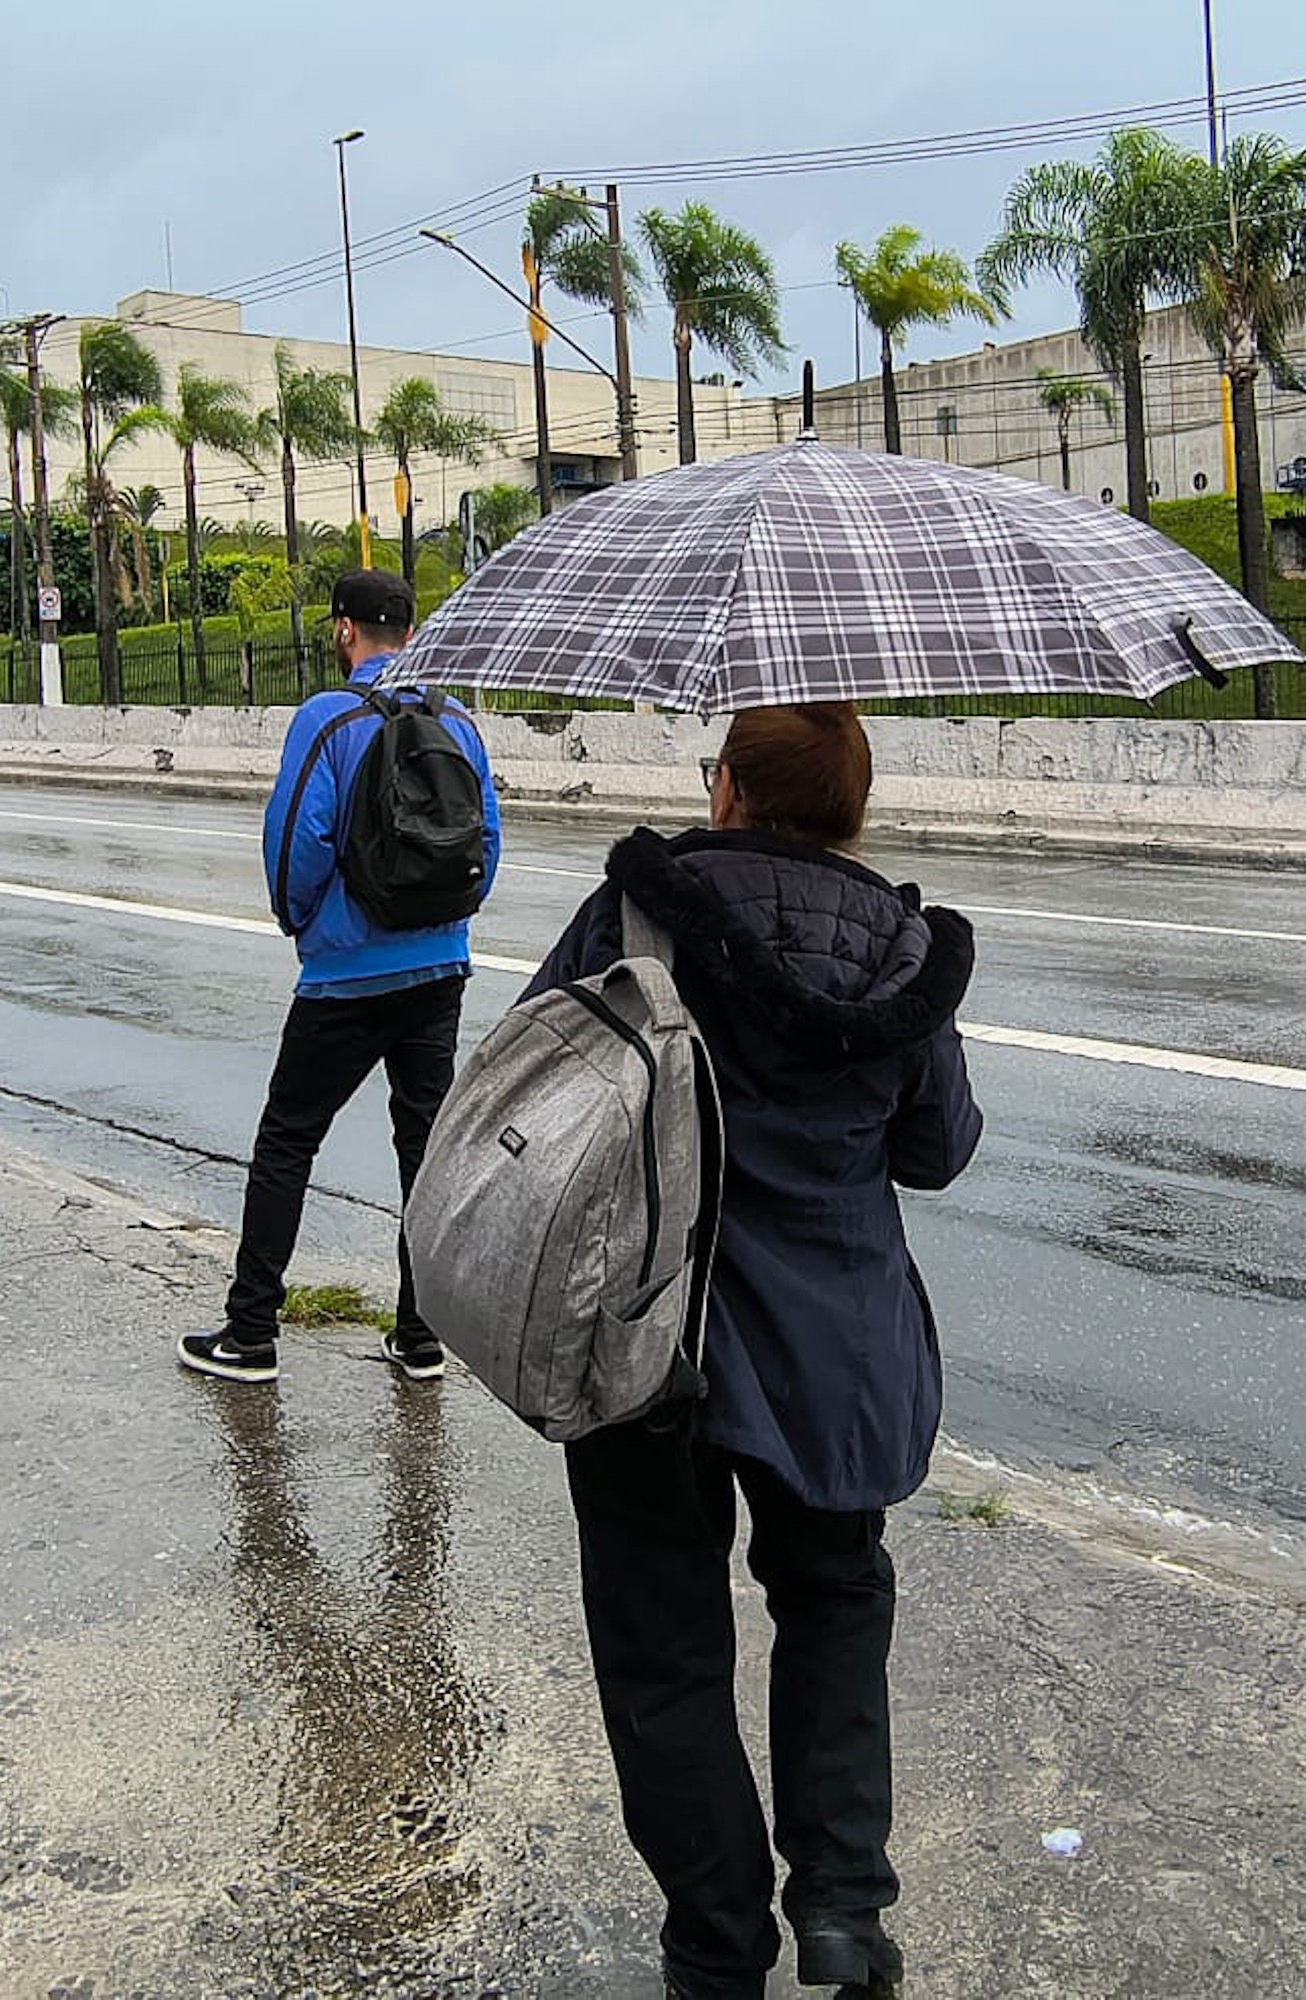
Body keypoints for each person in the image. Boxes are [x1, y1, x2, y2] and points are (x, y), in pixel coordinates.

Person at [524, 703, 982, 2000]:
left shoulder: (641, 913)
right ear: (851, 808)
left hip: (644, 1343)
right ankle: (843, 1915)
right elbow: (937, 1150)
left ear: (724, 787)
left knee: (664, 1651)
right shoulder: (902, 945)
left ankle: (715, 1947)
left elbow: (534, 1091)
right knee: (833, 1605)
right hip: (835, 1358)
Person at [179, 569, 502, 1388]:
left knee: (289, 1137)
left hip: (345, 974)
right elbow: (486, 843)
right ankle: (419, 1334)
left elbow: (297, 840)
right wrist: (445, 924)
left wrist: (307, 927)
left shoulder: (328, 718)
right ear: (413, 633)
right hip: (439, 966)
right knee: (422, 1148)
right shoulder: (458, 721)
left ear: (343, 631)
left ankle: (251, 1331)